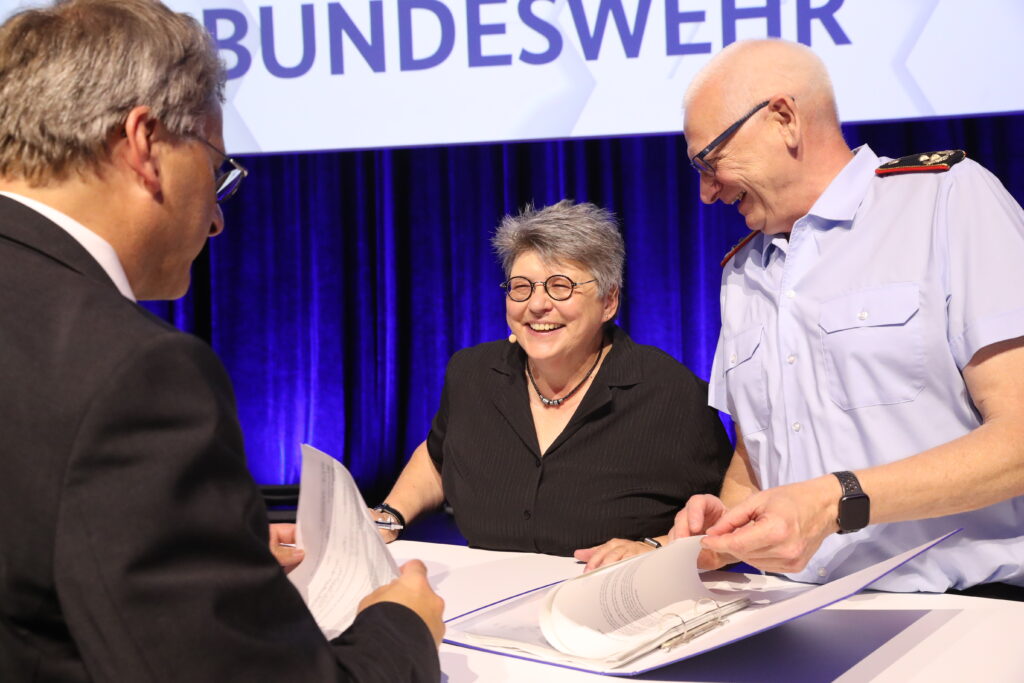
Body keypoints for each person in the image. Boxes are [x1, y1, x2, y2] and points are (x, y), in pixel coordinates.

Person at [0, 1, 442, 680]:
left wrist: (198, 553)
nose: (216, 219)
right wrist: (401, 625)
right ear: (145, 143)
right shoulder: (133, 372)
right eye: (217, 165)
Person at [664, 39, 1024, 594]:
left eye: (708, 161)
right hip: (794, 612)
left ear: (783, 118)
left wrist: (836, 500)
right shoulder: (741, 272)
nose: (707, 193)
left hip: (960, 613)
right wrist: (715, 531)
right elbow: (755, 459)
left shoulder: (946, 200)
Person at [370, 200, 733, 560]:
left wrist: (654, 547)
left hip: (620, 604)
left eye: (560, 287)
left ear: (609, 302)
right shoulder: (471, 374)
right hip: (487, 602)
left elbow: (725, 514)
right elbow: (437, 458)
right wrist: (389, 517)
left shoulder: (671, 392)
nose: (537, 304)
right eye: (521, 287)